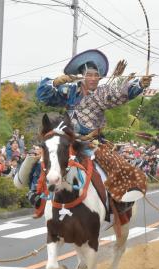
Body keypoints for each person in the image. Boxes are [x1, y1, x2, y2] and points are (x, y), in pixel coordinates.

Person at [21, 49, 151, 209]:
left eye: (97, 75)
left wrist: (138, 85)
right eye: (89, 74)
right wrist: (56, 82)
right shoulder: (69, 91)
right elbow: (43, 96)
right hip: (67, 139)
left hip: (92, 142)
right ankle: (36, 192)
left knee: (116, 162)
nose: (94, 78)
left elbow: (121, 93)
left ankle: (120, 200)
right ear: (82, 76)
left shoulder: (102, 93)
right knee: (44, 157)